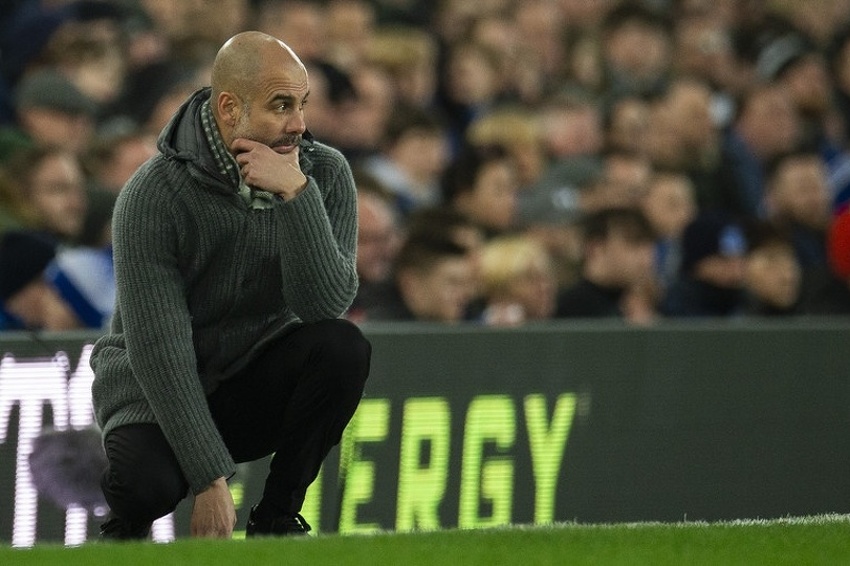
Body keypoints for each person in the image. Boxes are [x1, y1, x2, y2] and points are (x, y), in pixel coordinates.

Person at [89, 31, 372, 540]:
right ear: (228, 108)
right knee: (146, 488)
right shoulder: (153, 194)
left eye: (303, 104)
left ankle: (277, 519)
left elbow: (324, 305)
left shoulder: (324, 173)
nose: (300, 124)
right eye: (281, 105)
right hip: (153, 390)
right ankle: (120, 536)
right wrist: (209, 481)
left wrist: (297, 195)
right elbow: (160, 351)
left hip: (248, 381)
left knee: (342, 348)